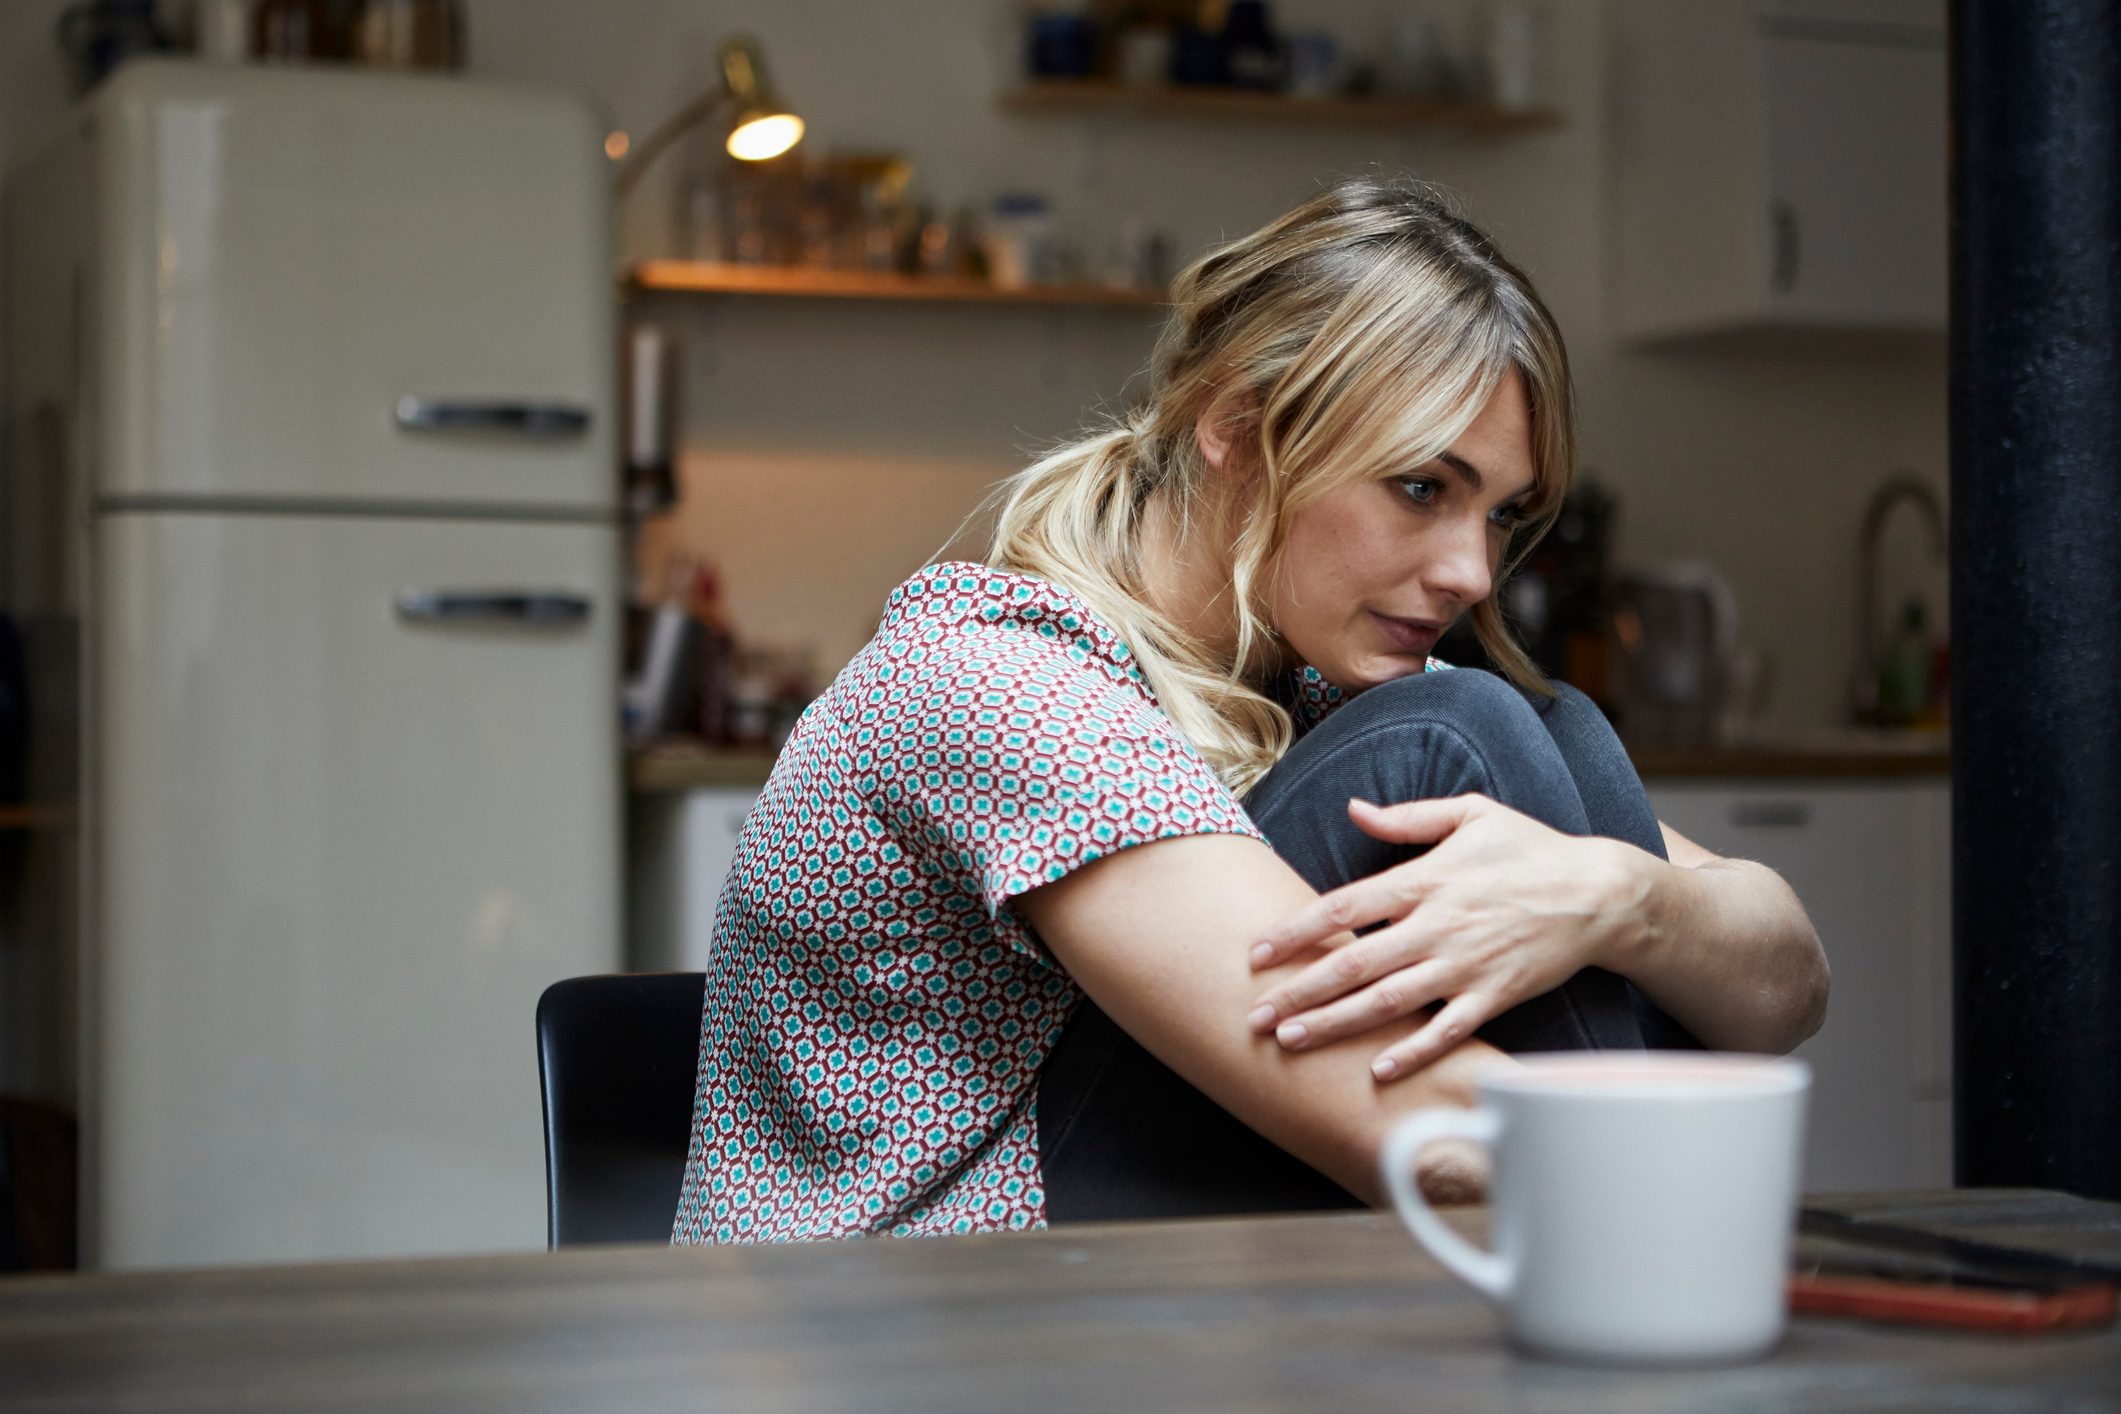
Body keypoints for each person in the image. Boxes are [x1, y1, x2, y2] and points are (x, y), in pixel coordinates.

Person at [670, 177, 1828, 1244]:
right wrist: (1696, 1172)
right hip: (907, 1320)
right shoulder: (999, 685)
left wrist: (1623, 899)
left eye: (1499, 514)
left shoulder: (1317, 675)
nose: (1474, 572)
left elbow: (1790, 983)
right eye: (1421, 488)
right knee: (1463, 732)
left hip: (1134, 1295)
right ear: (1234, 424)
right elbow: (1433, 1141)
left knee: (1550, 725)